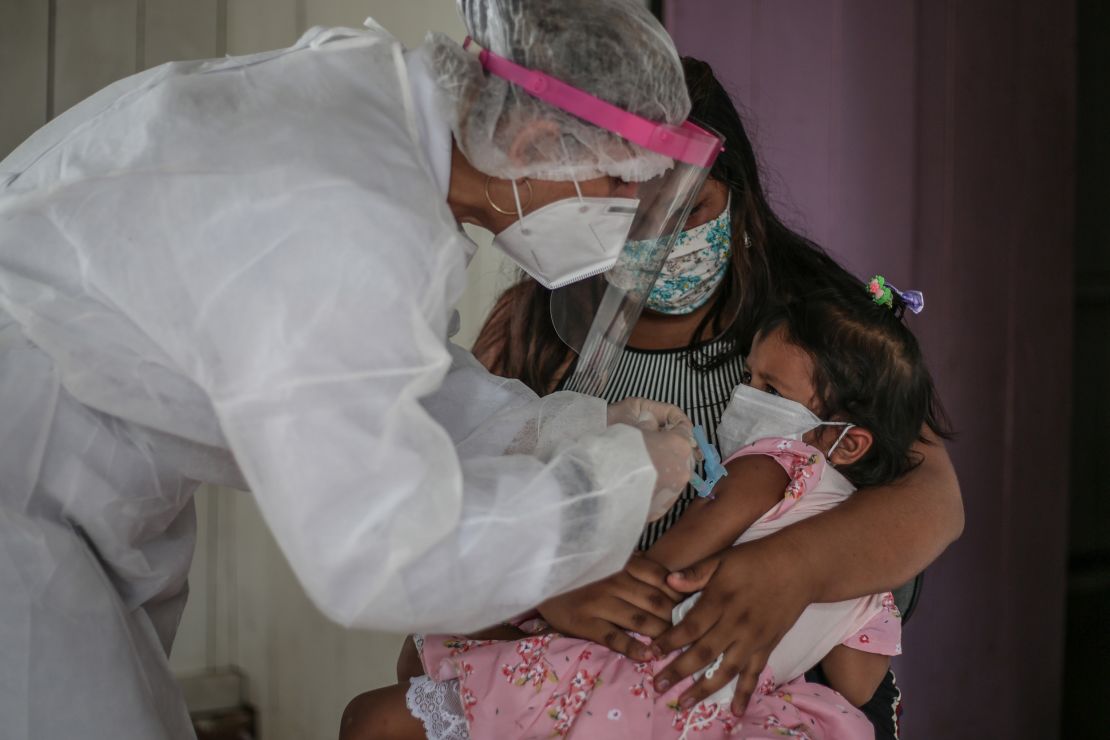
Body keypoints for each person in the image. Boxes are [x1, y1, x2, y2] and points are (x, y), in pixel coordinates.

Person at [0, 2, 718, 737]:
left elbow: (380, 378)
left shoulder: (374, 125)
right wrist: (603, 489)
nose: (625, 216)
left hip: (86, 481)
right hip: (24, 495)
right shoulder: (347, 216)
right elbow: (384, 549)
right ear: (534, 142)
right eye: (616, 187)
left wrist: (566, 431)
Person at [458, 58, 962, 736]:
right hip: (580, 692)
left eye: (685, 208)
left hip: (759, 697)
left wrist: (792, 568)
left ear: (737, 189)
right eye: (625, 216)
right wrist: (546, 593)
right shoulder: (528, 337)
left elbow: (933, 500)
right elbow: (454, 536)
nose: (657, 240)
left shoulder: (813, 331)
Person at [336, 273, 950, 740]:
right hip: (711, 714)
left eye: (767, 389)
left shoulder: (772, 464)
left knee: (373, 718)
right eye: (750, 378)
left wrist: (571, 588)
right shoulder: (871, 580)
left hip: (625, 670)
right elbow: (857, 680)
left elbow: (662, 571)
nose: (744, 395)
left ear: (846, 438)